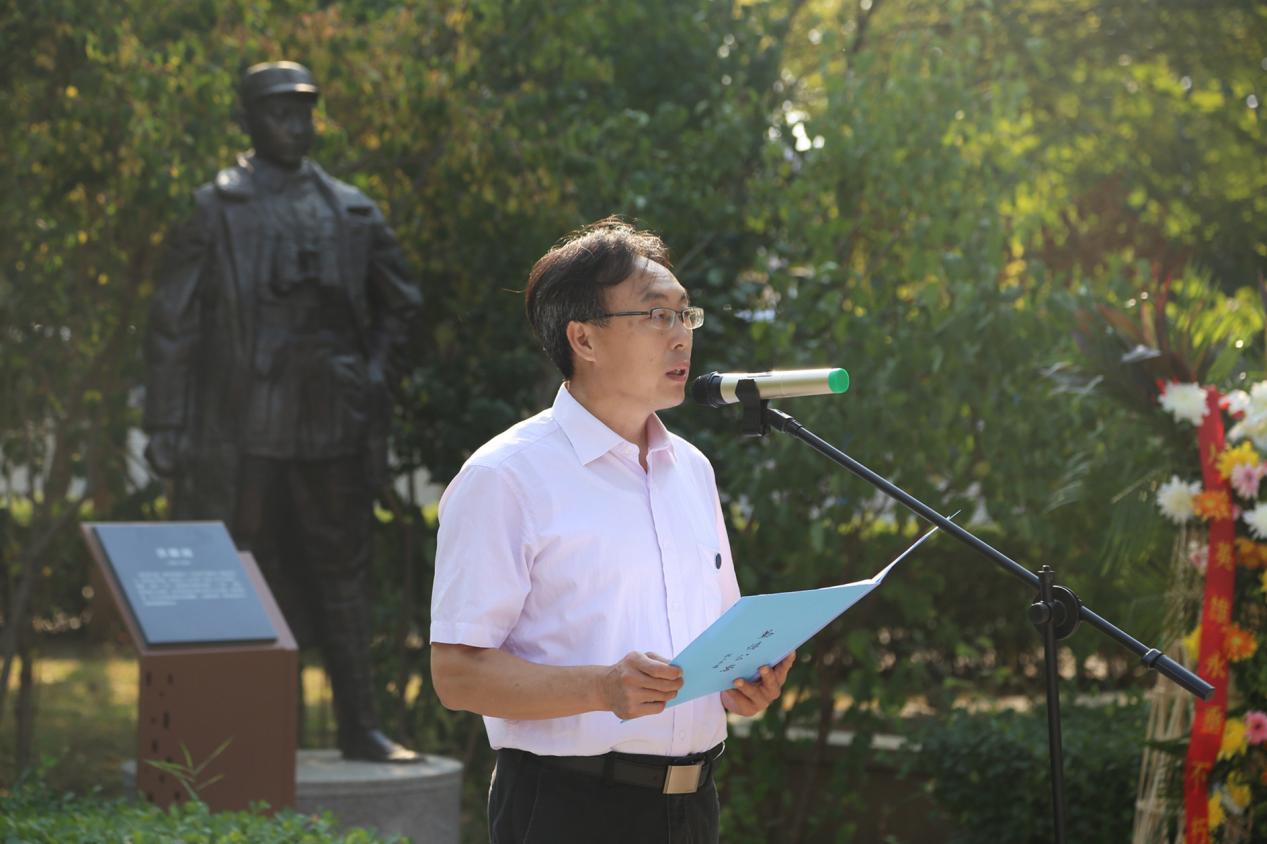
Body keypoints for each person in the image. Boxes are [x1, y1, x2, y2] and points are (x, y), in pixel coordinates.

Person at [429, 219, 794, 842]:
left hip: (694, 804)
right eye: (656, 315)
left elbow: (714, 639)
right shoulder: (506, 477)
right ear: (584, 339)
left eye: (685, 315)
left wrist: (745, 682)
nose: (680, 335)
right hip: (571, 805)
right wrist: (600, 688)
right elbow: (456, 674)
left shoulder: (692, 470)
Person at [143, 61, 422, 762]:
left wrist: (371, 375)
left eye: (304, 111)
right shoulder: (214, 209)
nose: (296, 125)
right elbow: (173, 322)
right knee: (236, 571)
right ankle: (238, 735)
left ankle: (360, 726)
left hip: (331, 418)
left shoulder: (351, 210)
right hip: (245, 421)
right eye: (279, 112)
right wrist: (167, 423)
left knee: (342, 572)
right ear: (246, 121)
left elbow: (402, 307)